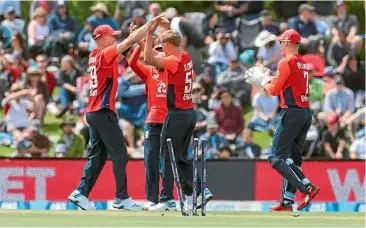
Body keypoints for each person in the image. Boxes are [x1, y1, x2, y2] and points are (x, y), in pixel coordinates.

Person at [68, 15, 165, 211]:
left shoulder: (95, 56)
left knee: (98, 155)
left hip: (93, 112)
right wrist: (149, 26)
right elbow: (127, 44)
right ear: (103, 39)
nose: (114, 39)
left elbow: (124, 51)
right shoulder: (104, 53)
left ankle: (81, 192)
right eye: (112, 36)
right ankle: (121, 197)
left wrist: (134, 39)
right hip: (103, 112)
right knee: (120, 153)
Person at [244, 29, 320, 212]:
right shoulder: (301, 62)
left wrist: (261, 79)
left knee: (277, 157)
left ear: (286, 43)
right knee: (293, 158)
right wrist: (267, 76)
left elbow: (274, 90)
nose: (279, 46)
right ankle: (287, 201)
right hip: (304, 112)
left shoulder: (286, 61)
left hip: (292, 112)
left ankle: (307, 187)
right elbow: (285, 82)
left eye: (280, 42)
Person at [144, 29, 213, 210]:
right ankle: (192, 195)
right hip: (188, 112)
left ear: (167, 45)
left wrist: (148, 37)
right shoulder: (185, 56)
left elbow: (148, 60)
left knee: (168, 155)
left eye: (162, 47)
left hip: (177, 114)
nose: (162, 51)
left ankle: (174, 196)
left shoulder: (174, 59)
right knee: (179, 156)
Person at [128, 32, 175, 211]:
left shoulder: (173, 71)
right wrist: (140, 42)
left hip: (169, 121)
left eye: (163, 51)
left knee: (167, 162)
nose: (159, 54)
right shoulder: (149, 72)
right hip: (152, 122)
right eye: (156, 51)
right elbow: (132, 63)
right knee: (151, 161)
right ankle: (152, 199)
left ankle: (167, 198)